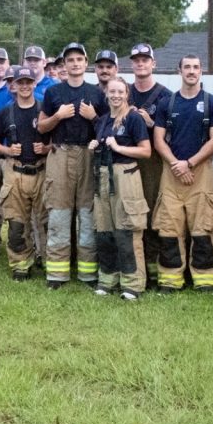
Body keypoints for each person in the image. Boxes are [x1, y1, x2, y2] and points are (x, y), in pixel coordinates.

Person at [153, 54, 213, 293]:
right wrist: (176, 164)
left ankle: (206, 279)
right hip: (171, 172)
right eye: (187, 67)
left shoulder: (212, 103)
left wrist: (189, 164)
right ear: (179, 71)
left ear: (201, 71)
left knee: (202, 228)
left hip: (200, 173)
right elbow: (158, 140)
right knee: (169, 229)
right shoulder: (167, 103)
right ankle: (170, 279)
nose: (191, 71)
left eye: (195, 67)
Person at [38, 43, 108, 289]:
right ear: (64, 65)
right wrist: (57, 116)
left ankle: (88, 273)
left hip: (88, 155)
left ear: (86, 63)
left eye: (79, 59)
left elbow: (108, 130)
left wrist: (94, 118)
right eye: (70, 60)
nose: (75, 63)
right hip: (60, 153)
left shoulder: (97, 94)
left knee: (88, 214)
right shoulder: (53, 93)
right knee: (58, 212)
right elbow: (41, 127)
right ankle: (57, 273)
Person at [88, 77, 151, 300]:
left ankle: (132, 284)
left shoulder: (134, 119)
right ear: (106, 94)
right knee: (104, 230)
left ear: (127, 94)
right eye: (112, 92)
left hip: (126, 176)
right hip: (103, 176)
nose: (115, 95)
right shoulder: (104, 120)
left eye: (120, 92)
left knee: (126, 230)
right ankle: (107, 280)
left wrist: (119, 146)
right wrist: (95, 146)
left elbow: (146, 151)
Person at [0, 67, 50, 280]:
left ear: (34, 84)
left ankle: (47, 260)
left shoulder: (44, 110)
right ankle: (21, 264)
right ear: (13, 84)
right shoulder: (6, 112)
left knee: (47, 222)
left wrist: (46, 148)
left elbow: (58, 141)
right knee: (16, 223)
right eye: (20, 82)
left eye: (28, 82)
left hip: (42, 171)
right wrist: (6, 150)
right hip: (15, 172)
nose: (24, 86)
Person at [128, 43, 172, 286]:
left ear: (153, 63)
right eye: (137, 60)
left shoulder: (165, 95)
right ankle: (135, 268)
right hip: (128, 161)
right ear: (131, 64)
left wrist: (151, 122)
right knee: (132, 216)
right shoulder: (123, 92)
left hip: (154, 163)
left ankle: (154, 271)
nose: (141, 63)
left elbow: (172, 137)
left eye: (145, 59)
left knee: (154, 214)